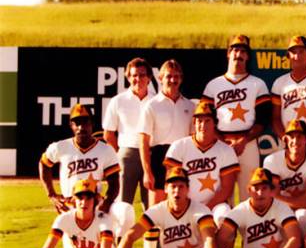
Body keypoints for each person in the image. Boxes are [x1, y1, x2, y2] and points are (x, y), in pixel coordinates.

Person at [106, 167, 220, 248]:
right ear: (166, 189)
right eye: (173, 186)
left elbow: (209, 239)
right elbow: (130, 235)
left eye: (181, 186)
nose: (177, 191)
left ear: (188, 189)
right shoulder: (158, 209)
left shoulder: (200, 210)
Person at [202, 35, 271, 206]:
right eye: (234, 49)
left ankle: (249, 233)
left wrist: (243, 140)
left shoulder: (258, 84)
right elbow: (204, 118)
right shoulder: (214, 85)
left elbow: (263, 120)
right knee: (222, 198)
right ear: (228, 53)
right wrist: (221, 140)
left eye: (242, 51)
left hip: (248, 144)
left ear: (247, 56)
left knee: (250, 195)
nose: (238, 54)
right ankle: (225, 233)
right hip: (220, 144)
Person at [217, 167, 303, 248]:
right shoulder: (241, 210)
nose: (260, 193)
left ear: (271, 190)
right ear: (249, 190)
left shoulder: (282, 207)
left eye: (264, 188)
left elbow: (295, 239)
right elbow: (220, 239)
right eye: (256, 188)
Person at [26, 178, 113, 248]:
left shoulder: (103, 218)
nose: (83, 203)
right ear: (73, 200)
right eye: (80, 198)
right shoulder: (65, 218)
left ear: (95, 200)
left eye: (88, 198)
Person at [39, 103, 121, 214]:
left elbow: (114, 182)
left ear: (92, 123)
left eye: (85, 122)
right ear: (71, 125)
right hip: (69, 205)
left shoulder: (105, 150)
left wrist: (107, 202)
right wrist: (52, 195)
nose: (81, 127)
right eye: (77, 123)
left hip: (95, 204)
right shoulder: (60, 147)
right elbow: (44, 163)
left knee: (125, 211)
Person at [164, 100, 238, 220]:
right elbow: (172, 185)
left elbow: (227, 189)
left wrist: (205, 209)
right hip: (185, 205)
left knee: (223, 216)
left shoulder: (226, 151)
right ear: (194, 122)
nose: (203, 125)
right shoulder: (179, 147)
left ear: (215, 123)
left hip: (215, 206)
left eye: (207, 121)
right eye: (199, 121)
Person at [138, 58, 195, 199]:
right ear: (160, 78)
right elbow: (143, 141)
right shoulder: (151, 105)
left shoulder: (190, 106)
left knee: (181, 206)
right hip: (159, 158)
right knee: (155, 210)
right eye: (168, 76)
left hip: (183, 158)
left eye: (176, 76)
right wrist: (147, 172)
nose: (172, 80)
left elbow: (194, 138)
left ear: (181, 79)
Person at [102, 57, 154, 206]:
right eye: (134, 75)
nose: (138, 79)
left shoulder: (156, 101)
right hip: (127, 155)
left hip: (151, 154)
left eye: (142, 75)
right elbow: (108, 134)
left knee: (151, 204)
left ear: (149, 77)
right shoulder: (118, 101)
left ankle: (152, 231)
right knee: (123, 204)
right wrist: (119, 155)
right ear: (128, 77)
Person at [262, 118, 306, 214]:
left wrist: (281, 199)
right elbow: (272, 197)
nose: (295, 141)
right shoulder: (272, 160)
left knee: (303, 214)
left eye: (299, 136)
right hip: (280, 211)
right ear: (285, 139)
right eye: (291, 137)